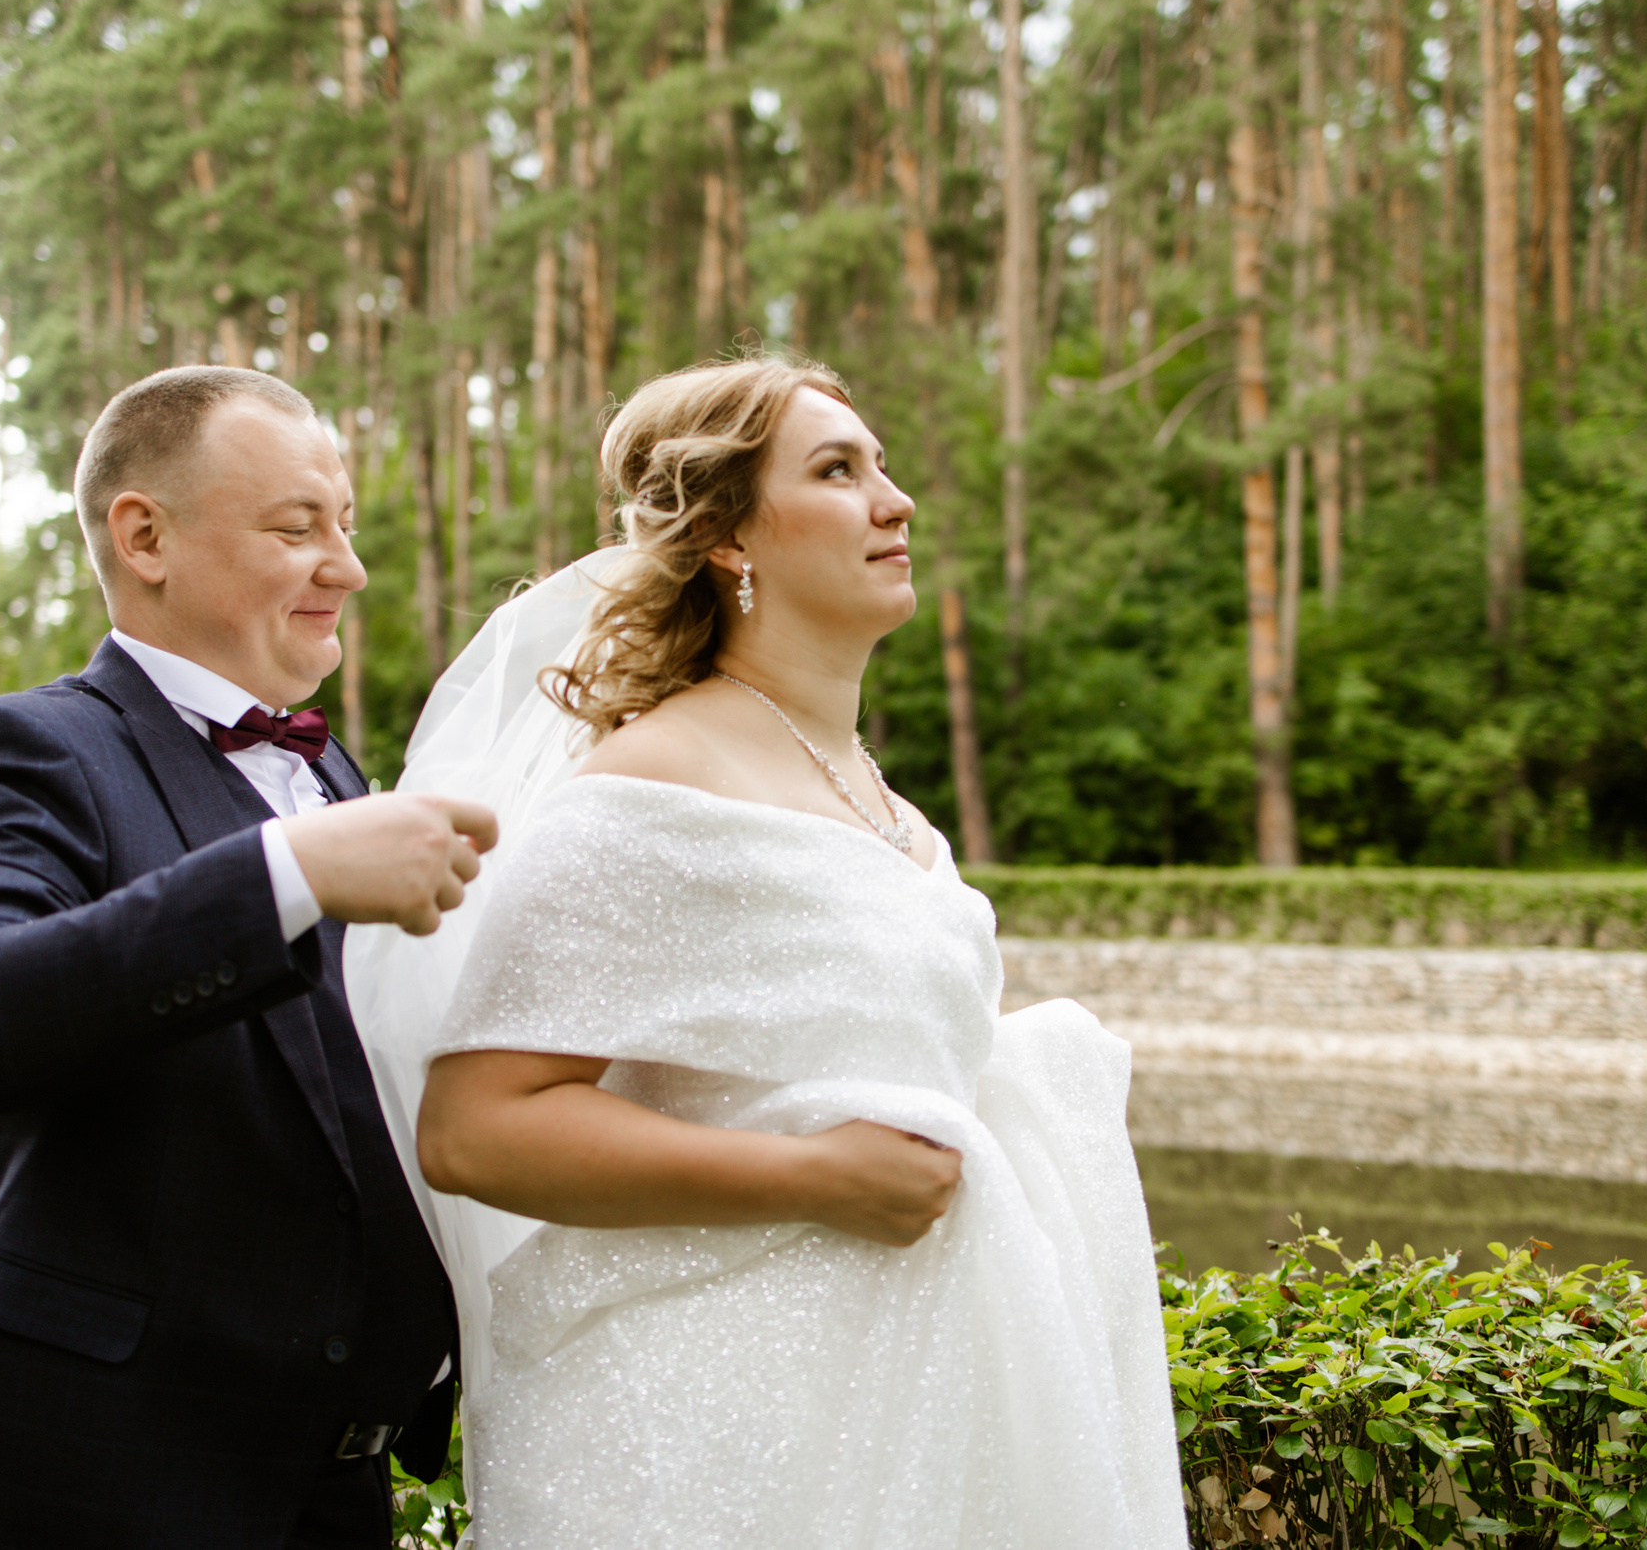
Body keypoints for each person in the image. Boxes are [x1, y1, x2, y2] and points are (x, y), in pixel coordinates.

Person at [354, 357, 1187, 1549]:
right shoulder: (650, 785)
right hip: (716, 1439)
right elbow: (476, 1126)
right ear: (729, 537)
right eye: (838, 471)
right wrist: (816, 1176)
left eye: (882, 465)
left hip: (902, 1408)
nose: (893, 501)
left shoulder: (882, 802)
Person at [0, 366, 496, 1549]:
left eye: (345, 528)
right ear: (144, 536)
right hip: (91, 1490)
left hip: (330, 1496)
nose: (347, 568)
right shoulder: (22, 750)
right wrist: (291, 873)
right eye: (297, 526)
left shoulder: (334, 776)